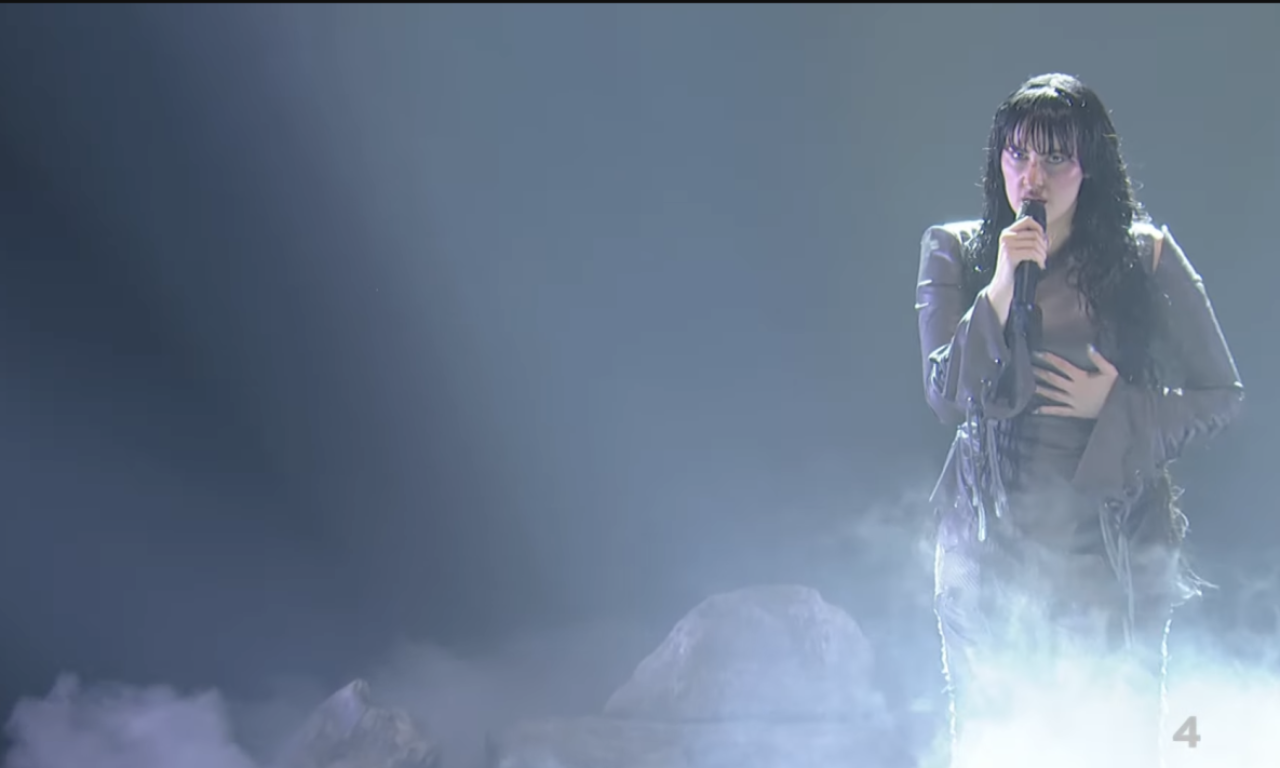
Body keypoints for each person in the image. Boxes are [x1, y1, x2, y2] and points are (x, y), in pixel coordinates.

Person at [914, 73, 1244, 767]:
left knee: (1111, 742)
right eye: (1017, 154)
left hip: (1107, 553)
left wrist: (1118, 406)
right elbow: (946, 396)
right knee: (995, 745)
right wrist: (1001, 287)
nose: (1031, 176)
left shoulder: (1144, 258)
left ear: (1088, 166)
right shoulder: (957, 251)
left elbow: (1221, 395)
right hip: (986, 555)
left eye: (1054, 157)